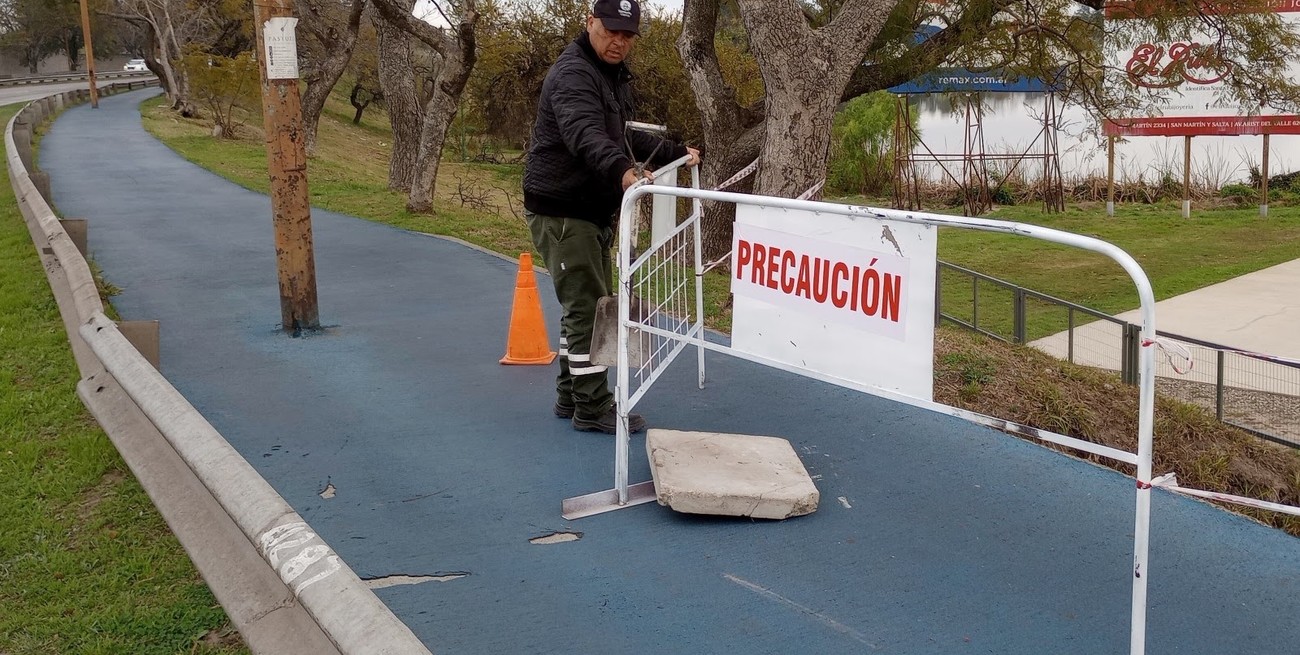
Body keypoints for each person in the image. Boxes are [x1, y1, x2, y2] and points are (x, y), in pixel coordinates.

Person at [523, 0, 700, 435]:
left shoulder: (606, 74)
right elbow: (586, 135)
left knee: (588, 305)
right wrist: (624, 172)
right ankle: (593, 407)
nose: (618, 41)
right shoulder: (573, 75)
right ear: (590, 24)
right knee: (587, 308)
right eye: (610, 31)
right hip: (564, 210)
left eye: (628, 34)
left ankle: (571, 396)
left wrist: (678, 152)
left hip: (586, 209)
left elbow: (618, 133)